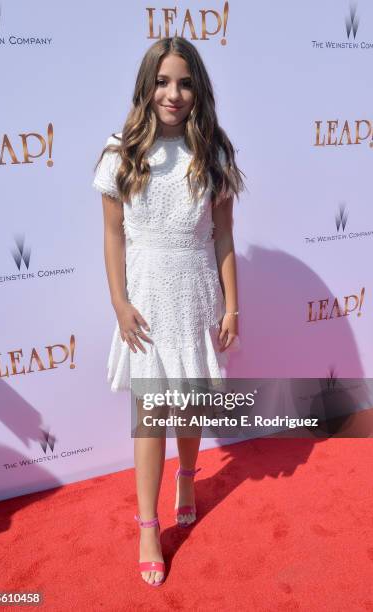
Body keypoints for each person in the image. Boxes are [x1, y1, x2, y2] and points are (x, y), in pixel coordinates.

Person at [92, 35, 245, 587]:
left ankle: (187, 477)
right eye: (162, 82)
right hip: (147, 300)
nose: (173, 93)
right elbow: (113, 236)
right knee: (150, 416)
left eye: (183, 82)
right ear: (146, 86)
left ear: (197, 88)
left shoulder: (214, 151)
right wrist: (119, 302)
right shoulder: (121, 153)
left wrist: (232, 305)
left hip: (197, 290)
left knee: (187, 405)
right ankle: (148, 526)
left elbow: (224, 235)